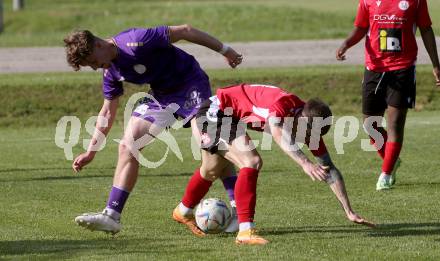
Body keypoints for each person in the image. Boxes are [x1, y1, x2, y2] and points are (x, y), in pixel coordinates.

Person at [63, 24, 243, 234]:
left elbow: (185, 30)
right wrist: (91, 152)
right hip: (162, 96)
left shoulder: (137, 41)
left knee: (209, 146)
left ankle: (239, 212)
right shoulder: (110, 70)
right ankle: (112, 215)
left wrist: (225, 50)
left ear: (99, 45)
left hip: (191, 84)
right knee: (128, 146)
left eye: (93, 61)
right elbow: (107, 111)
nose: (95, 67)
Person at [173, 83, 375, 245]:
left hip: (230, 118)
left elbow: (329, 169)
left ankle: (182, 211)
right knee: (251, 161)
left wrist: (349, 211)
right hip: (215, 112)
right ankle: (245, 231)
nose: (307, 139)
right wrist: (305, 163)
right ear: (302, 119)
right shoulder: (281, 104)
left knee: (211, 170)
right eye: (307, 134)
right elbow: (277, 131)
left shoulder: (309, 125)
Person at [336, 0, 440, 190]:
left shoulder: (415, 1)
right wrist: (346, 44)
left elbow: (426, 29)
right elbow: (360, 27)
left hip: (403, 68)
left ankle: (385, 174)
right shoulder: (367, 1)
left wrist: (436, 64)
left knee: (394, 124)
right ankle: (391, 160)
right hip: (374, 68)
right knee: (370, 125)